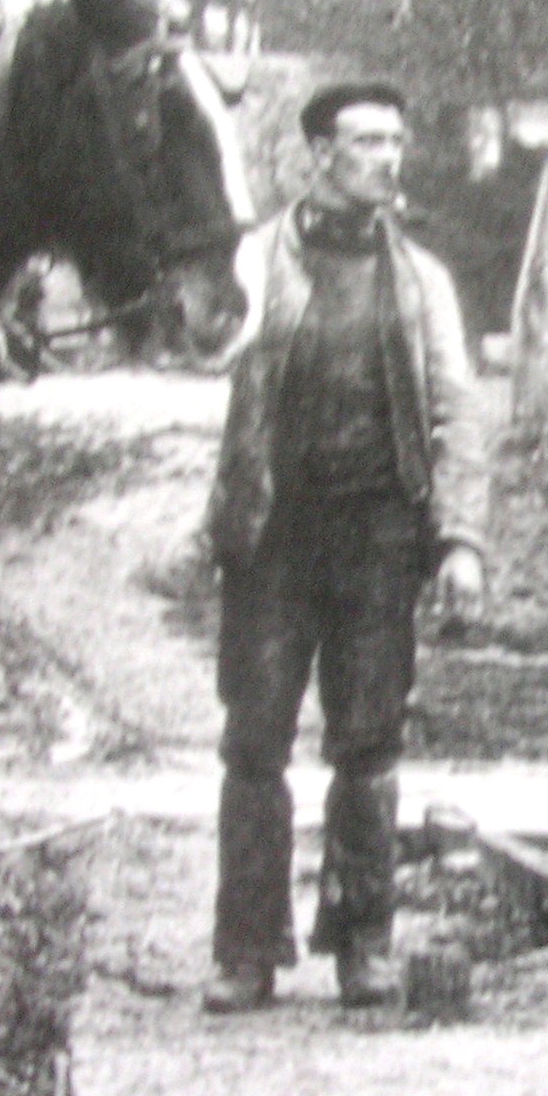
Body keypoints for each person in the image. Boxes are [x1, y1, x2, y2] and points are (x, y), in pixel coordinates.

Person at [201, 81, 488, 1014]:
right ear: (319, 155)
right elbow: (195, 347)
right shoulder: (253, 263)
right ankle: (245, 953)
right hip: (273, 539)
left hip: (378, 538)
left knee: (369, 746)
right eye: (368, 142)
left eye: (397, 142)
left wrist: (461, 541)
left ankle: (364, 944)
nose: (390, 159)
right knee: (254, 746)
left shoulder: (422, 282)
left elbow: (457, 413)